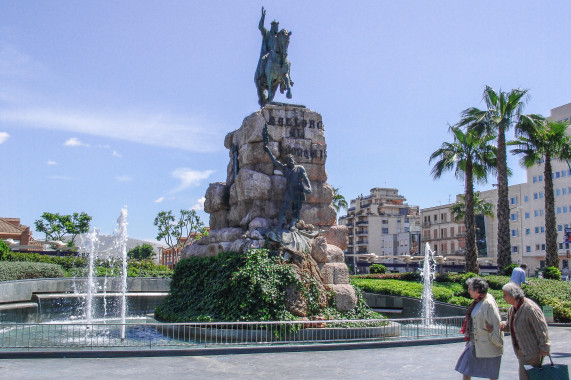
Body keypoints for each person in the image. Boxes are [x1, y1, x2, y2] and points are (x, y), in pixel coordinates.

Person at [455, 277, 503, 380]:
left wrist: (497, 341)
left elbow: (496, 324)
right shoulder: (478, 301)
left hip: (488, 345)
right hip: (474, 343)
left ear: (477, 290)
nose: (468, 291)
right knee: (465, 368)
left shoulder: (488, 303)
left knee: (492, 373)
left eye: (470, 289)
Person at [500, 282, 550, 380]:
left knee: (526, 377)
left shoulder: (530, 308)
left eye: (505, 295)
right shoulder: (512, 309)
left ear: (513, 295)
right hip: (521, 351)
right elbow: (511, 326)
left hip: (532, 352)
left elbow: (541, 329)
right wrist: (501, 325)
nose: (503, 297)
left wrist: (545, 347)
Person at [263, 145, 311, 229]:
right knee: (284, 208)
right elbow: (275, 161)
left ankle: (293, 224)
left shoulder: (299, 168)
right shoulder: (286, 168)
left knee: (296, 209)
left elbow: (305, 178)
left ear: (293, 160)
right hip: (289, 191)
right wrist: (268, 151)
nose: (290, 161)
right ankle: (279, 225)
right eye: (288, 160)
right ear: (287, 162)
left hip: (299, 190)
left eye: (291, 159)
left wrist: (309, 187)